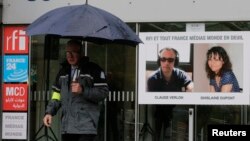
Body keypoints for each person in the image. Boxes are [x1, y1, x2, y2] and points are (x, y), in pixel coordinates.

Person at [43, 39, 109, 141]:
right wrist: (49, 112)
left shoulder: (93, 69)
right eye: (67, 53)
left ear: (81, 53)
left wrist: (83, 90)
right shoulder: (63, 72)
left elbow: (103, 93)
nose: (70, 56)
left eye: (73, 52)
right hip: (67, 127)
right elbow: (56, 94)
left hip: (86, 127)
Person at [147, 47, 193, 141]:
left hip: (176, 112)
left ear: (175, 62)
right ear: (159, 61)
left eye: (170, 60)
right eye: (163, 59)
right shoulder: (152, 79)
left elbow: (191, 86)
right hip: (159, 112)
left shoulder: (180, 74)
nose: (166, 63)